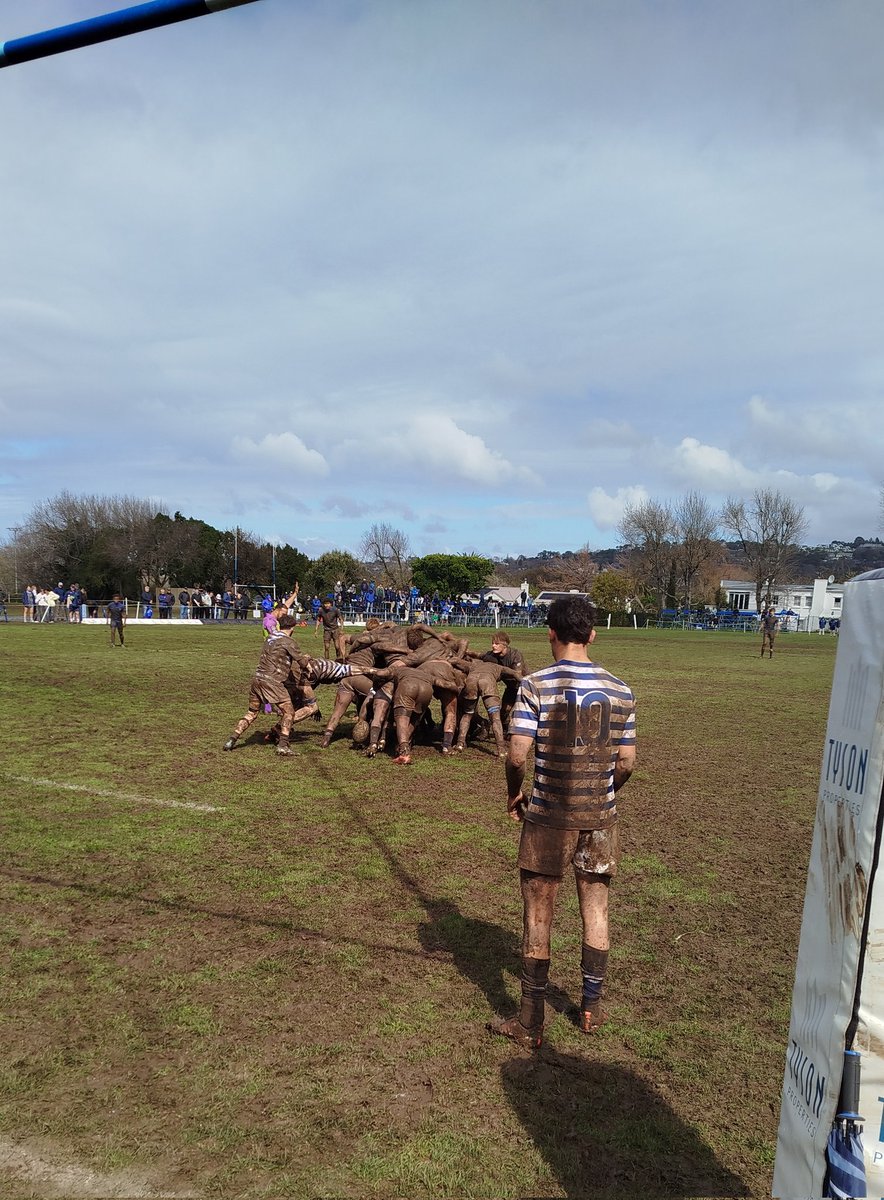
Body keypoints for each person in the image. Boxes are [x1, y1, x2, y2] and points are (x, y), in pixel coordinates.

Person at [489, 596, 636, 1049]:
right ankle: (591, 1006)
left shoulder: (534, 686)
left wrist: (515, 791)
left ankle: (530, 1021)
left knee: (538, 914)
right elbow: (627, 762)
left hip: (548, 815)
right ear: (592, 634)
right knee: (596, 909)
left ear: (550, 632)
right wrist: (604, 792)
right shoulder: (622, 690)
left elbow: (517, 753)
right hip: (600, 817)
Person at [222, 615, 307, 756]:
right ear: (293, 628)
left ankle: (232, 739)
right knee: (289, 712)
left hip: (257, 679)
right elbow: (302, 663)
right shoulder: (289, 641)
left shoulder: (270, 638)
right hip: (272, 681)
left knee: (251, 713)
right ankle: (283, 745)